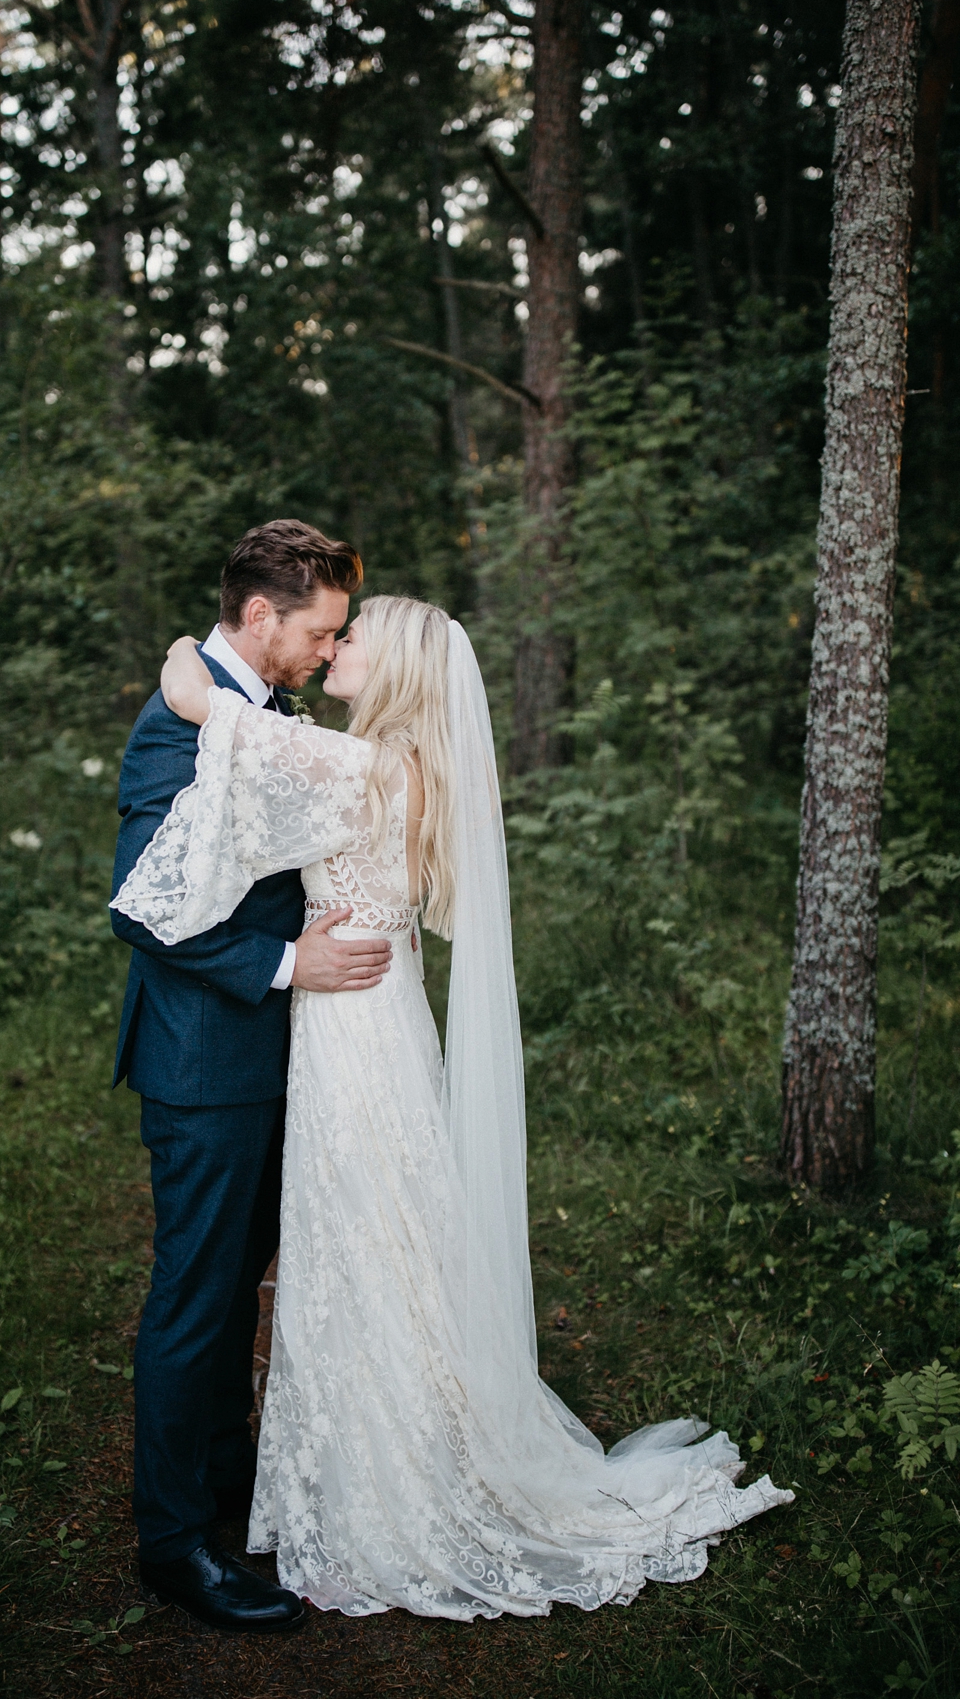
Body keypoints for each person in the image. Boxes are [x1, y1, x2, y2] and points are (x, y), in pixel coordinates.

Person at [112, 594, 794, 1621]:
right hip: (372, 1015)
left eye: (354, 640)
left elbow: (193, 699)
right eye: (330, 633)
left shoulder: (371, 767)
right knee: (377, 1239)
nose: (336, 649)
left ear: (397, 674)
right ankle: (322, 1463)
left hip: (351, 1027)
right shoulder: (399, 764)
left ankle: (378, 1483)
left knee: (361, 1244)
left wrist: (185, 648)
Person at [109, 519, 391, 1635]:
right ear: (261, 616)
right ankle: (175, 1545)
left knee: (242, 1281)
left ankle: (226, 1479)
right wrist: (289, 962)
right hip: (205, 1060)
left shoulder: (254, 710)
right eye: (318, 632)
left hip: (280, 1057)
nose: (328, 652)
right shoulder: (164, 736)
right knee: (196, 1294)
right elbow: (145, 900)